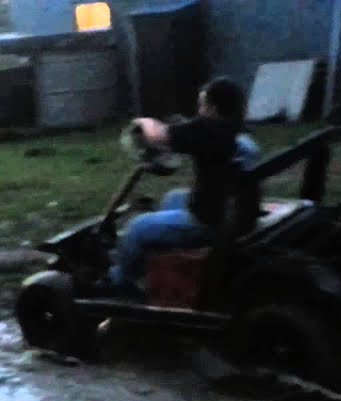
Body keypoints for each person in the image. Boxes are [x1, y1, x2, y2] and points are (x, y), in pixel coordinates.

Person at [98, 76, 255, 296]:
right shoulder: (238, 131)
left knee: (136, 228)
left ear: (213, 108)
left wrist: (142, 121)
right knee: (173, 197)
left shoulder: (207, 128)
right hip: (236, 212)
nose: (199, 111)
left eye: (202, 105)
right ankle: (162, 257)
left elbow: (157, 135)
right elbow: (188, 135)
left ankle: (120, 281)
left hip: (209, 222)